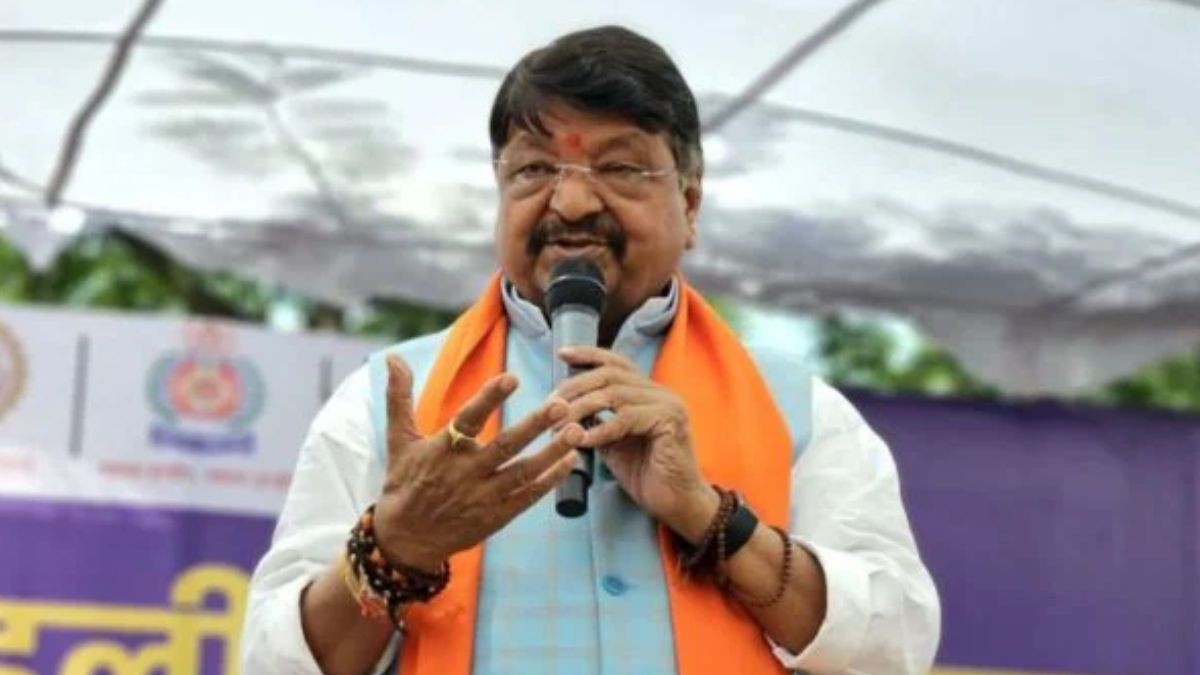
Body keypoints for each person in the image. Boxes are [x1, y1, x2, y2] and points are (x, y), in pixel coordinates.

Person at [243, 25, 940, 675]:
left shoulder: (797, 411)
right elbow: (272, 662)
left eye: (621, 167)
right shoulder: (388, 402)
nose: (572, 202)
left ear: (690, 204)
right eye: (534, 169)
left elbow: (894, 649)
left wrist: (709, 516)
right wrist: (394, 550)